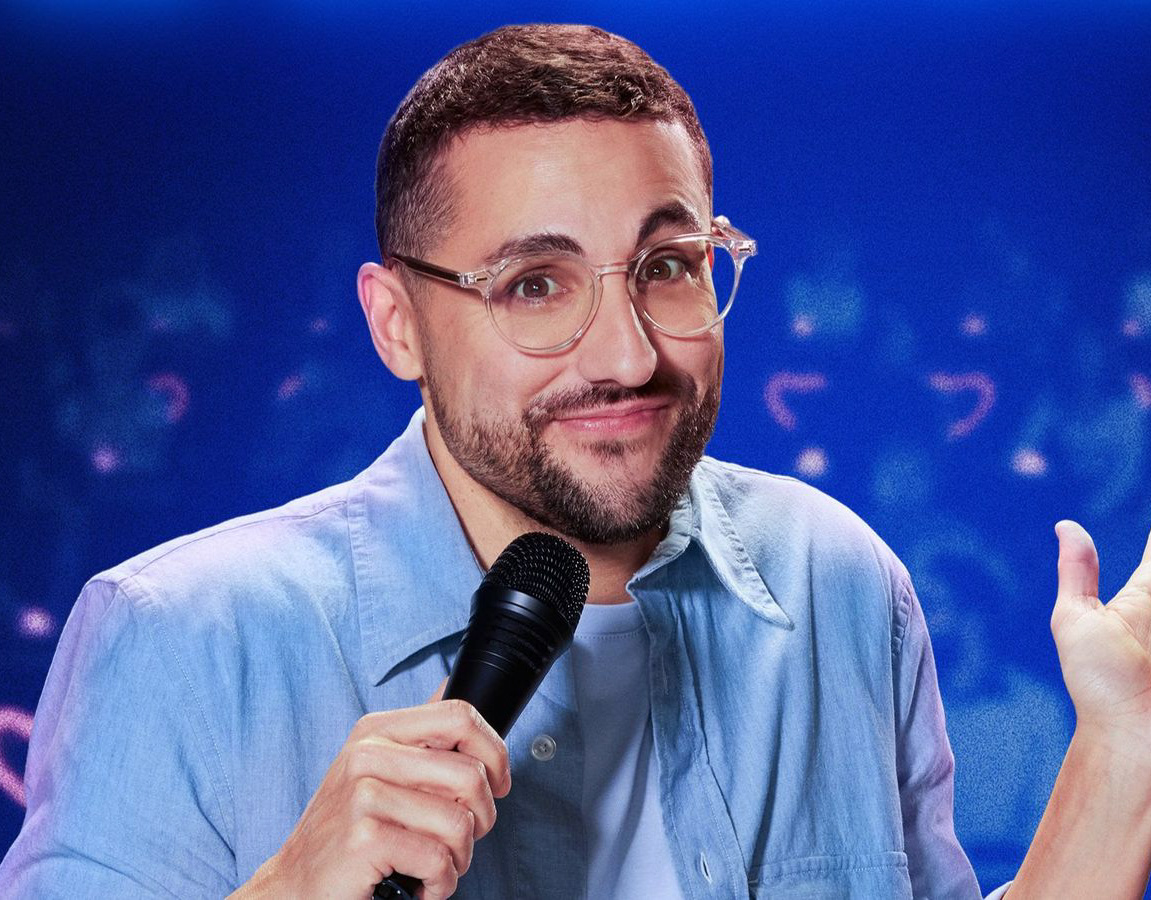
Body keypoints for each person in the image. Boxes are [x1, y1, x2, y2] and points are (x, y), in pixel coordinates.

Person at [2, 23, 1150, 900]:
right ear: (396, 324)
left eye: (668, 265)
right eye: (534, 285)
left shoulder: (836, 581)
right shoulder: (181, 641)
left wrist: (1122, 753)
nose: (626, 355)